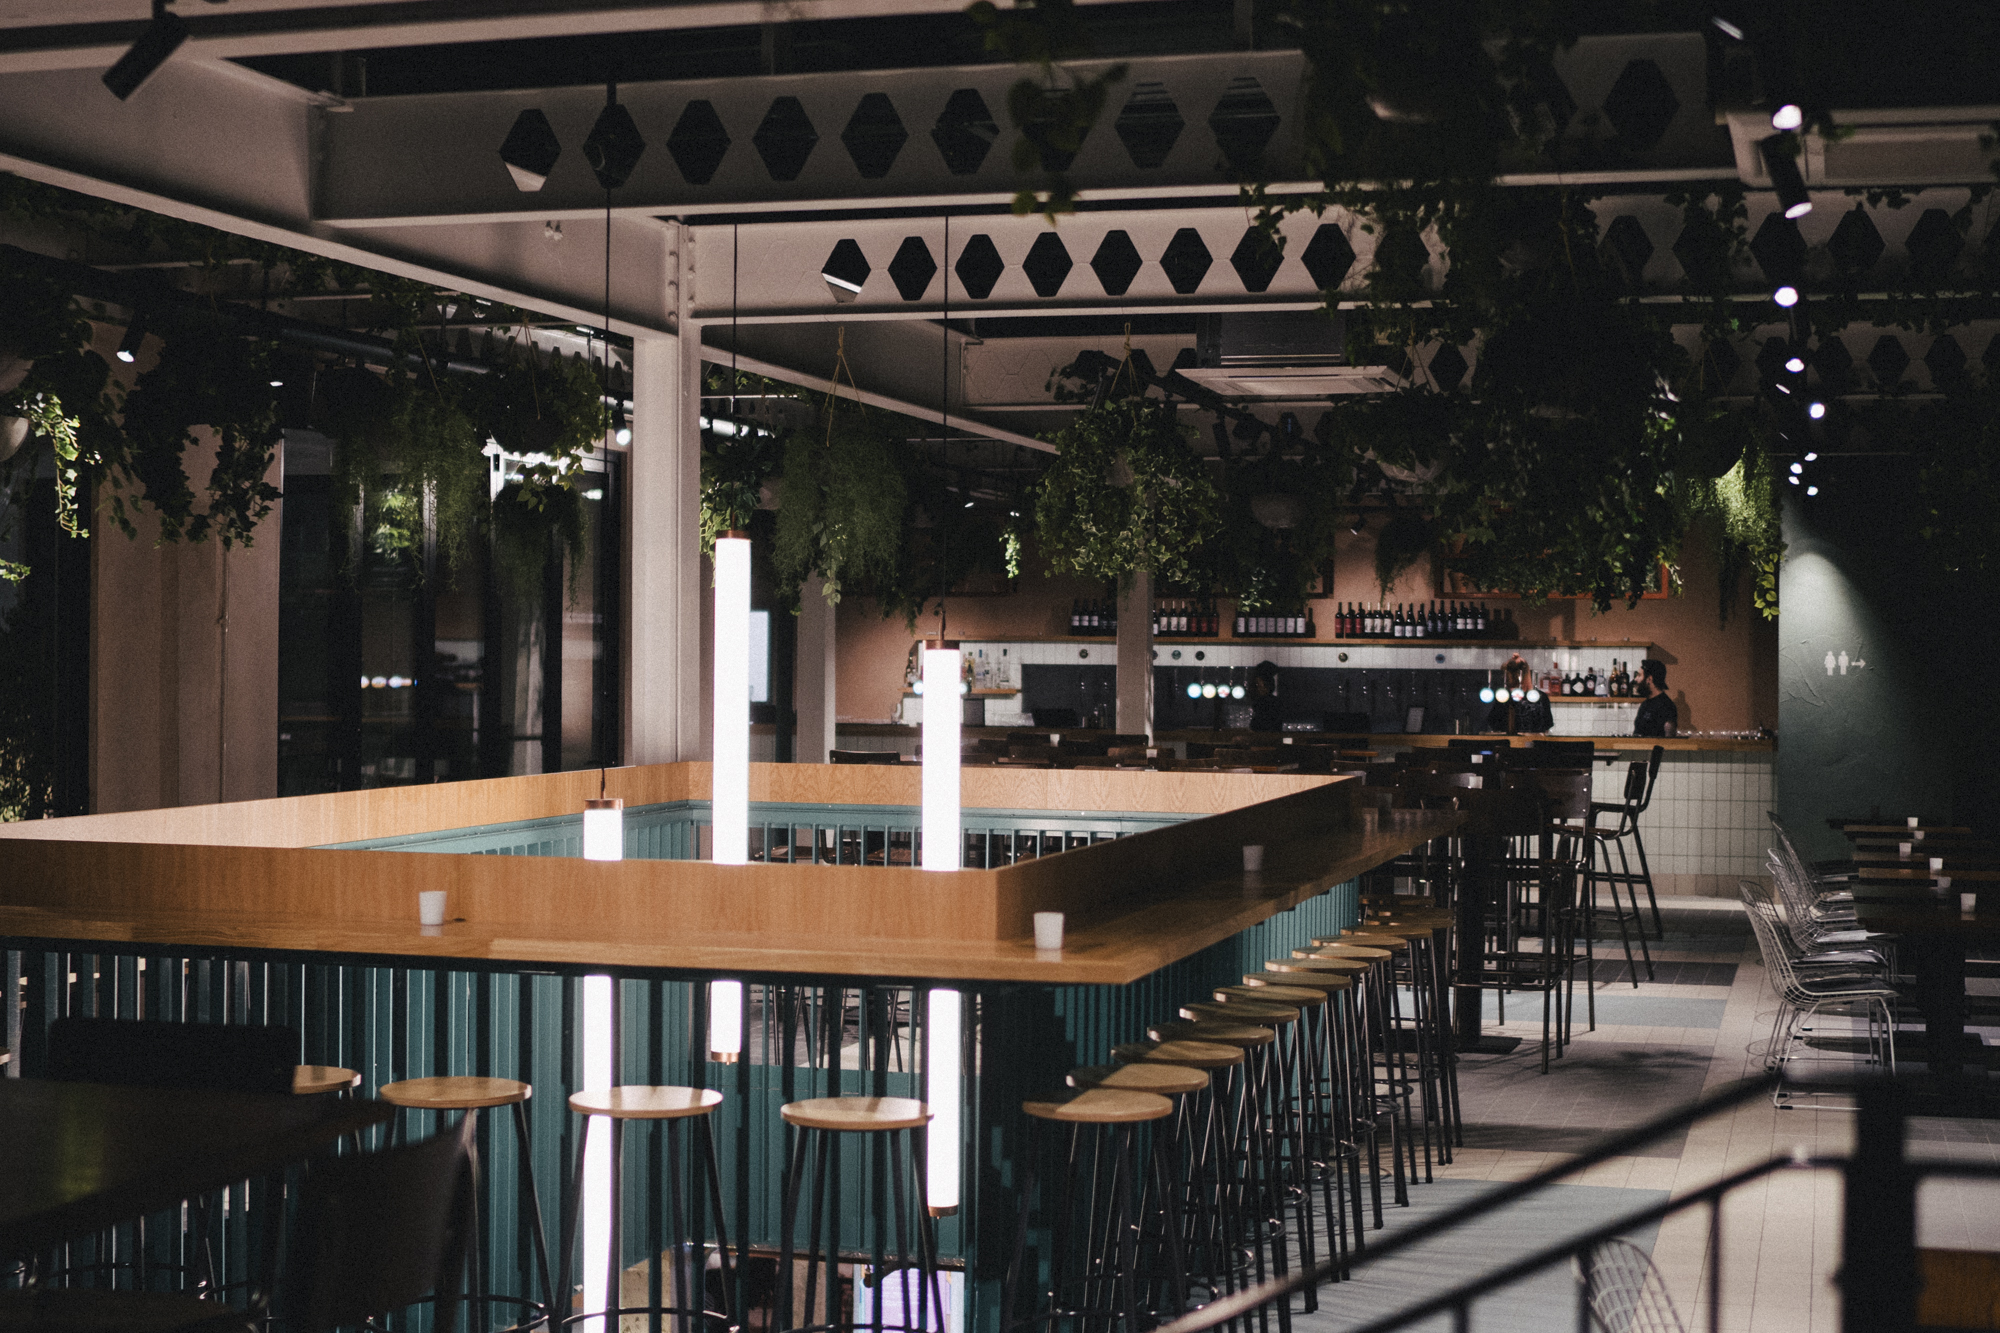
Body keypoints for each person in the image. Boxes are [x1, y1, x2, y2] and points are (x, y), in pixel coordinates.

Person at [1634, 658, 1678, 737]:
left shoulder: (1666, 706)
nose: (1636, 679)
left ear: (1649, 679)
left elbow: (1669, 740)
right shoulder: (1645, 704)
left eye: (1639, 675)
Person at [1248, 660, 1282, 732]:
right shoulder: (1274, 703)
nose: (1257, 688)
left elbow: (1258, 727)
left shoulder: (1263, 704)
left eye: (1258, 684)